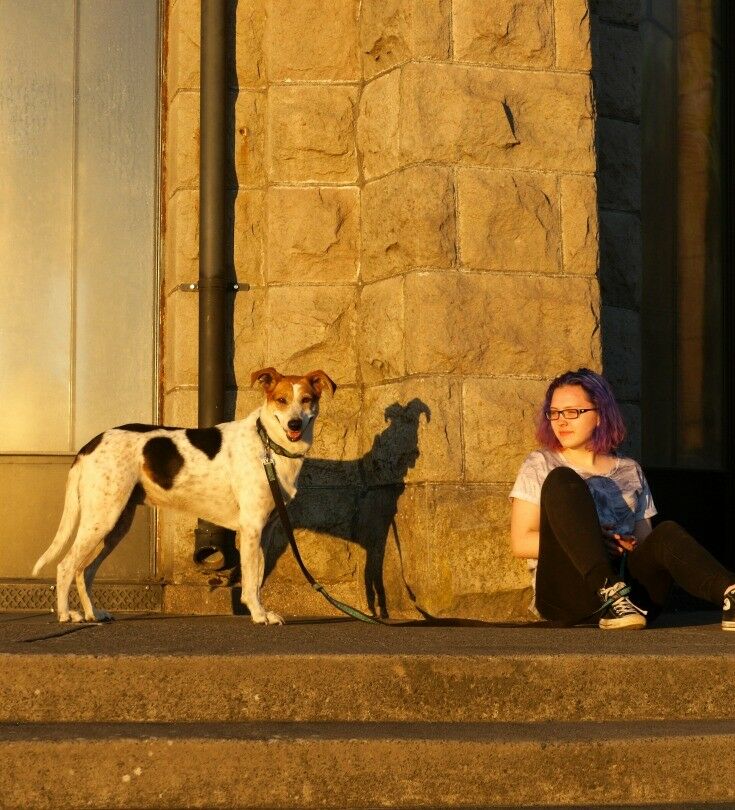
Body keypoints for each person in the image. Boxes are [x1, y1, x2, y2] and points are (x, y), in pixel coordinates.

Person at [509, 368, 735, 630]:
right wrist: (592, 540)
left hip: (633, 600)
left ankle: (729, 591)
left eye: (572, 412)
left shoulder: (630, 469)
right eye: (555, 413)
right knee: (563, 480)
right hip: (570, 595)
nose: (561, 421)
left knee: (667, 532)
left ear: (600, 416)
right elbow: (521, 542)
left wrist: (628, 544)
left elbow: (645, 543)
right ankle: (608, 589)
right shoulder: (541, 464)